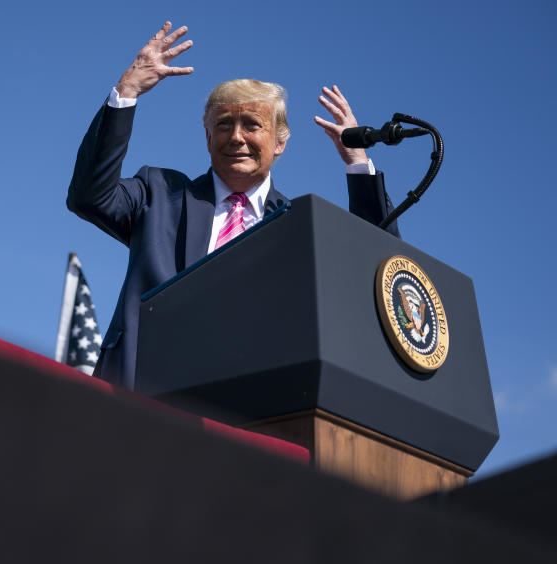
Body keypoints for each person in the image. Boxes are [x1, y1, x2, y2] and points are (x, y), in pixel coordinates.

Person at [67, 22, 398, 390]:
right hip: (142, 397)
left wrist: (357, 163)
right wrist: (126, 92)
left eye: (251, 125)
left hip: (253, 408)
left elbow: (379, 276)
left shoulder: (300, 227)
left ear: (279, 143)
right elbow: (89, 195)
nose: (236, 137)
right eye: (224, 125)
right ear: (208, 138)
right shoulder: (158, 193)